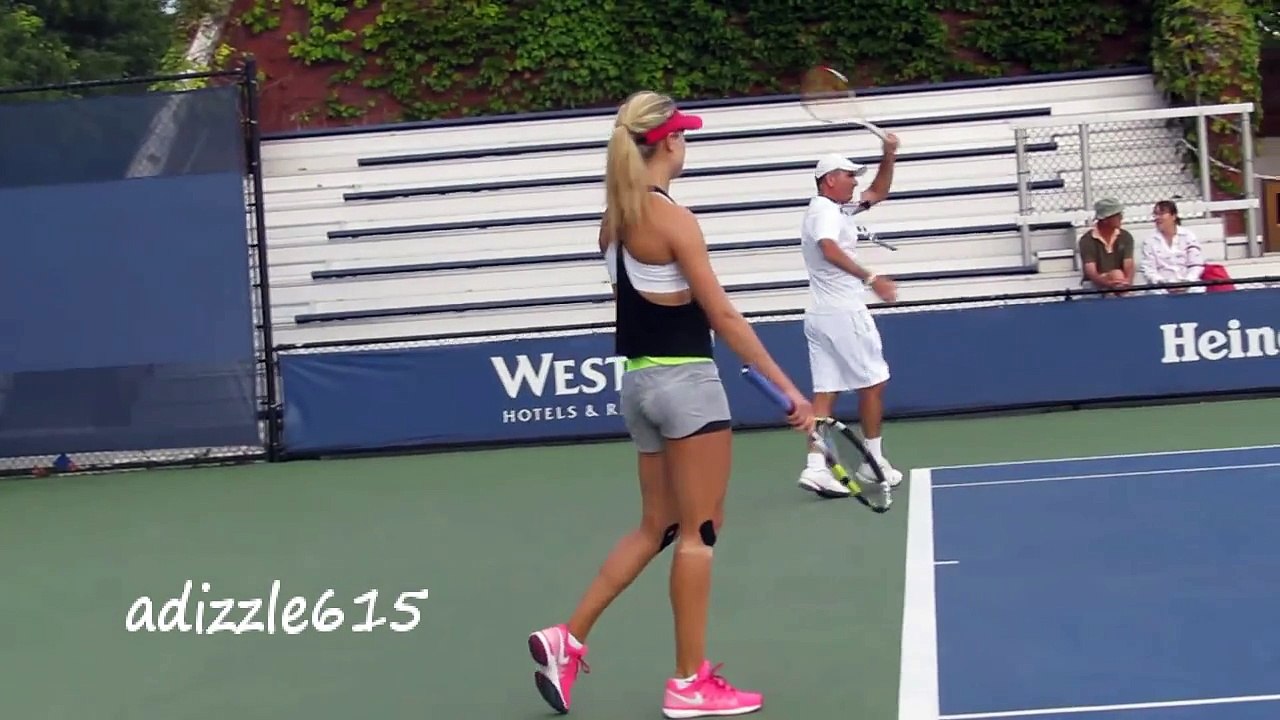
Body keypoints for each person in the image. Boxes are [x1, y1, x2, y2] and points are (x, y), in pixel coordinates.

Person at [527, 90, 815, 719]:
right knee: (700, 531)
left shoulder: (612, 222)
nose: (687, 144)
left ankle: (567, 637)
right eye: (682, 135)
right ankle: (689, 683)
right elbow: (723, 316)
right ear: (667, 145)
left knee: (655, 526)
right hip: (686, 387)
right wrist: (793, 391)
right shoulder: (673, 219)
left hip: (637, 387)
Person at [794, 137, 905, 499]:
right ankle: (872, 463)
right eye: (849, 175)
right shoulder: (825, 212)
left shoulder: (835, 210)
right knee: (874, 383)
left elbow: (878, 192)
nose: (855, 182)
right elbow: (828, 248)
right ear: (830, 180)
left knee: (825, 394)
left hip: (821, 315)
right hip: (844, 313)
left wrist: (888, 155)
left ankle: (815, 468)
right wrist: (872, 278)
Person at [1140, 199, 1206, 294]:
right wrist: (1164, 284)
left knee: (1198, 289)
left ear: (1173, 216)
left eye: (1161, 214)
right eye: (1155, 214)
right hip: (1162, 288)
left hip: (1188, 285)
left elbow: (1196, 265)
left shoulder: (1188, 236)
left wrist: (1187, 282)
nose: (1157, 218)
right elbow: (1149, 269)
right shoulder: (1149, 241)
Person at [1078, 197, 1135, 296]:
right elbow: (1091, 272)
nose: (1121, 218)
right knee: (1116, 275)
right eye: (1117, 215)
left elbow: (1129, 264)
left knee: (1117, 275)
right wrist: (1109, 284)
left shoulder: (1125, 236)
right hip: (1094, 285)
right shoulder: (1087, 240)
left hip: (1120, 282)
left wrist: (1127, 282)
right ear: (1105, 219)